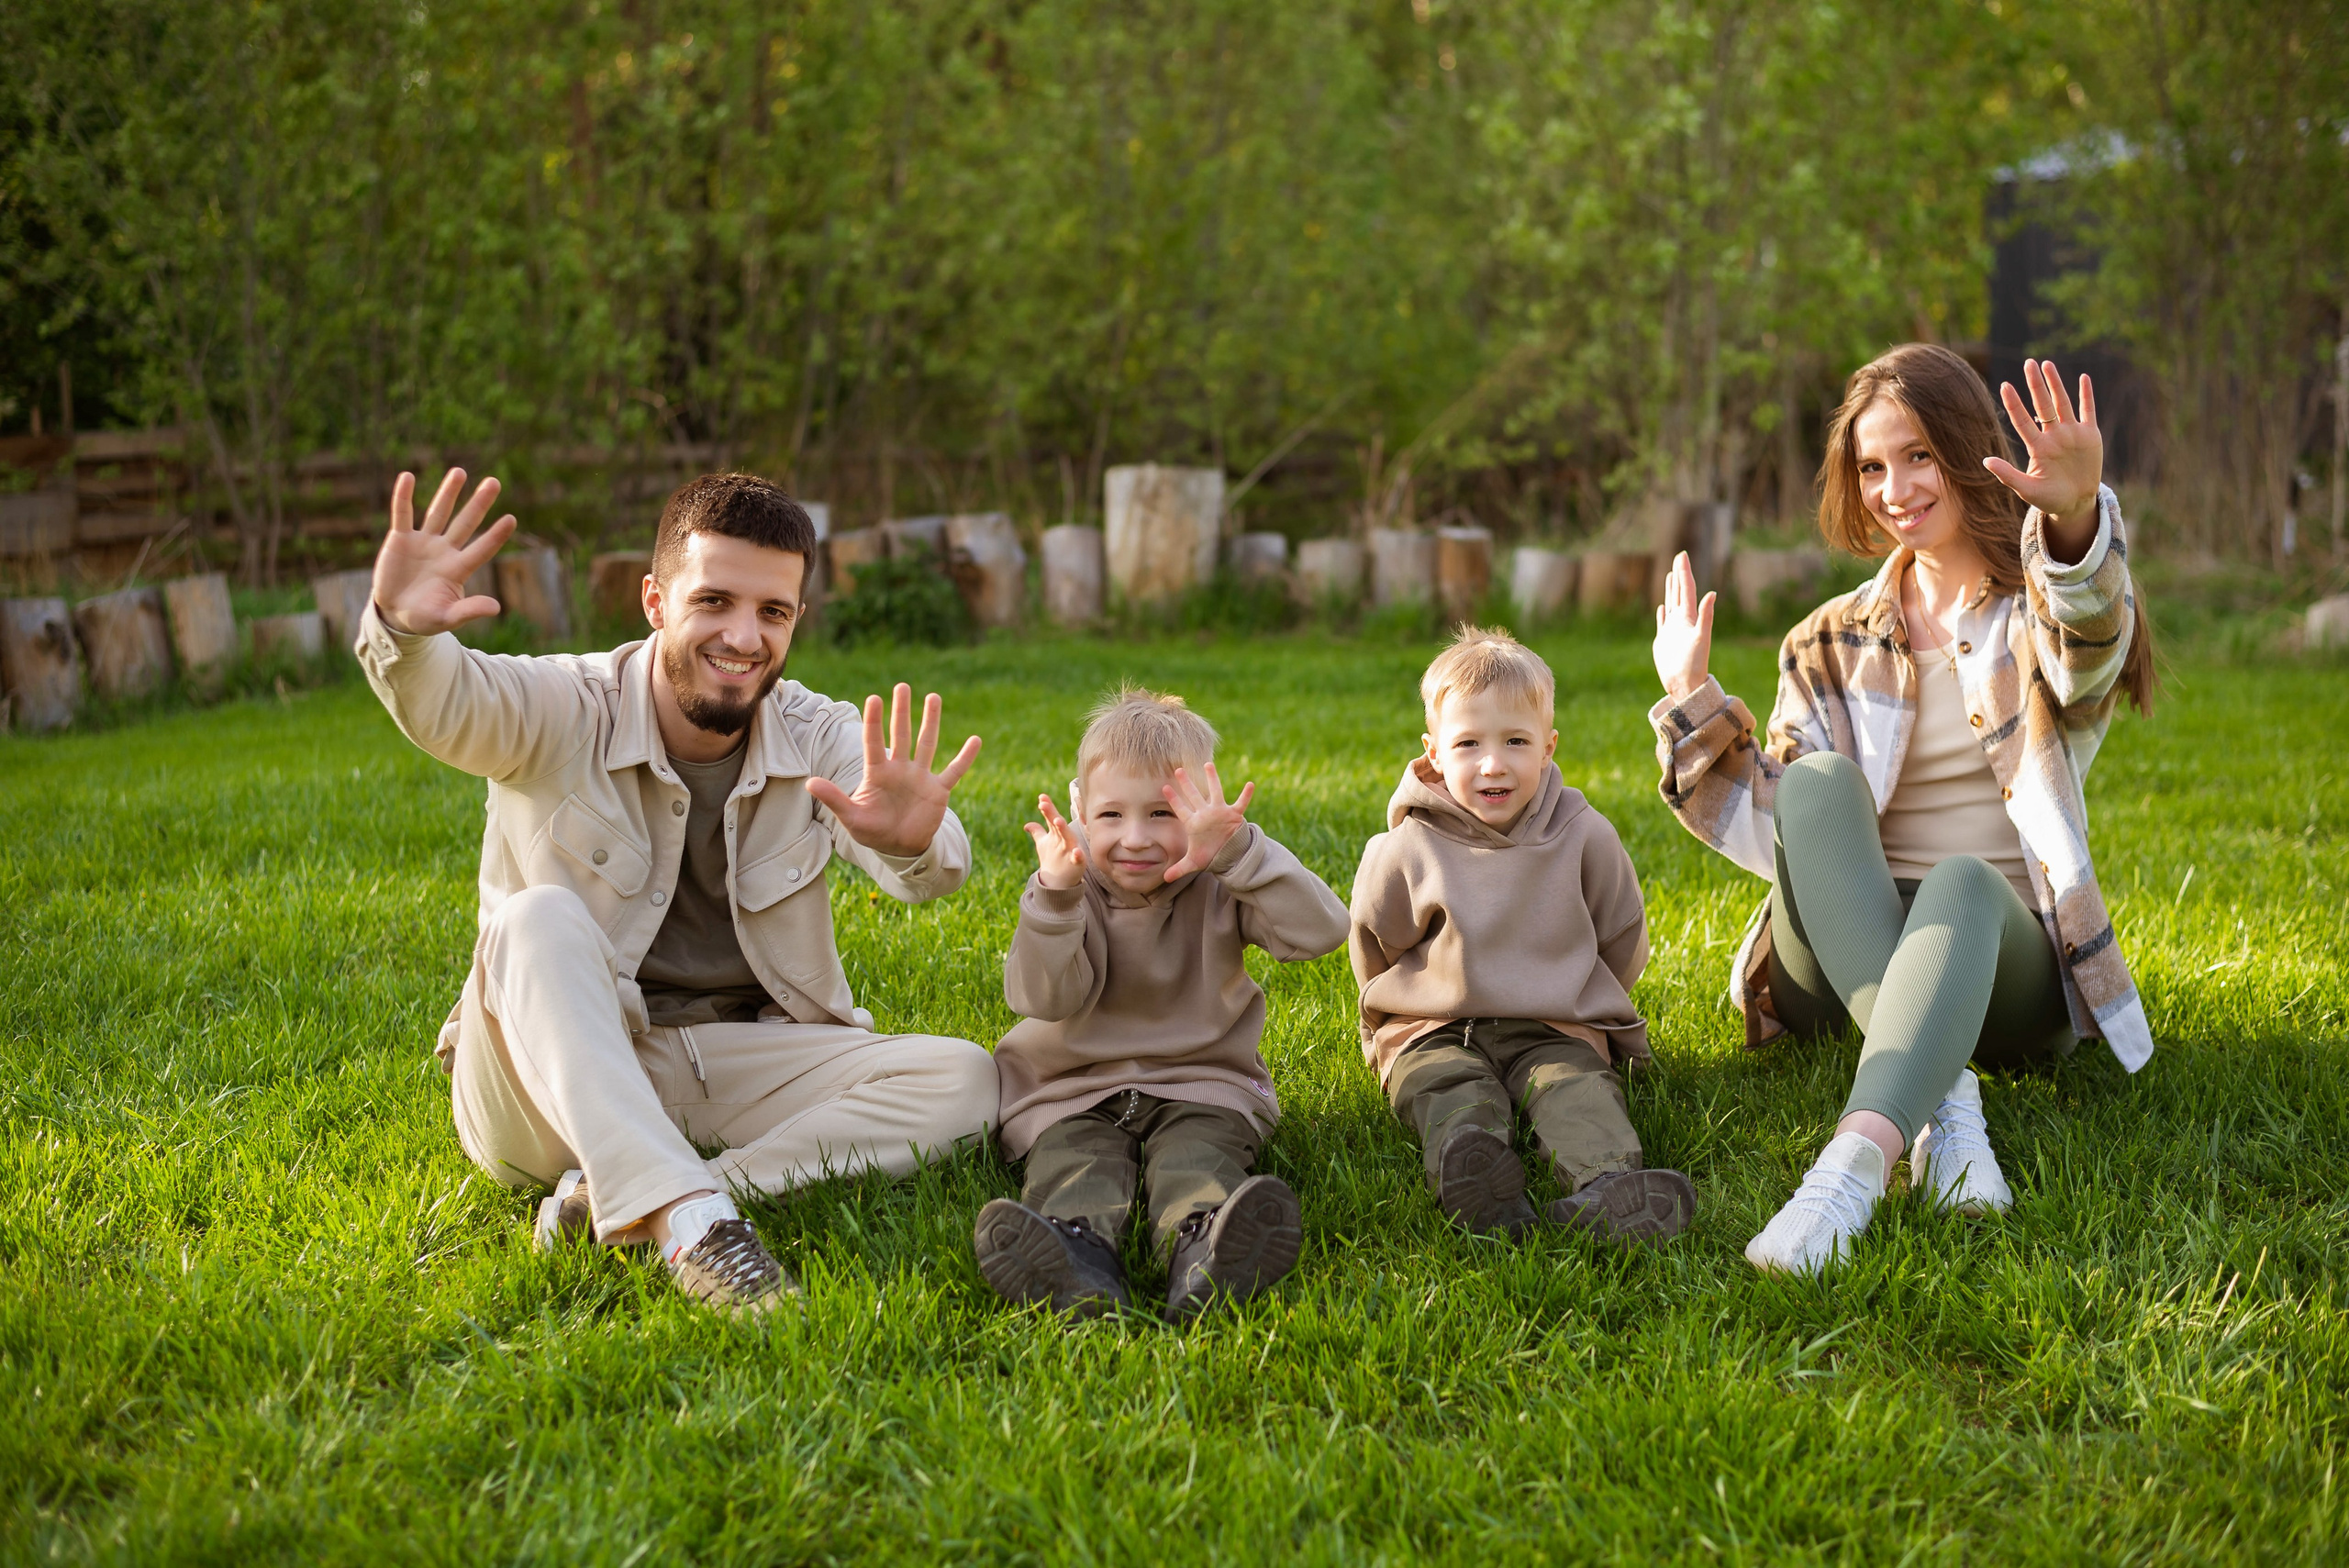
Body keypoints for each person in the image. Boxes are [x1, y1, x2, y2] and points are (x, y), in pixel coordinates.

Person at [357, 467, 997, 1313]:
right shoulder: (563, 705)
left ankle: (664, 1190)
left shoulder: (816, 731)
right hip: (541, 1084)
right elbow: (449, 700)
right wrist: (403, 631)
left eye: (773, 612)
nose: (743, 636)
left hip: (721, 1066)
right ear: (656, 600)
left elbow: (930, 859)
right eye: (715, 601)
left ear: (797, 618)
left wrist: (912, 841)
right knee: (535, 917)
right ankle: (695, 1227)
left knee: (967, 1077)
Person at [1648, 347, 2159, 1274]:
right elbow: (1784, 829)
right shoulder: (1825, 637)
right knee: (1812, 782)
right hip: (1840, 958)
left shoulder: (2031, 614)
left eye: (1917, 455)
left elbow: (2091, 643)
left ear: (1965, 450)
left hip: (2000, 963)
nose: (1893, 488)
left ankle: (1850, 1168)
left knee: (1959, 882)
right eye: (1871, 466)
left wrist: (2077, 516)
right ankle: (1941, 1093)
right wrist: (1691, 700)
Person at [974, 688, 1349, 1318]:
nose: (1136, 838)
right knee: (1075, 1159)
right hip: (1073, 1085)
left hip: (1199, 1079)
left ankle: (1205, 1247)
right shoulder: (1066, 889)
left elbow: (1322, 932)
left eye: (1162, 814)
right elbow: (1042, 997)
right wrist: (1056, 900)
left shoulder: (1222, 880)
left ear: (1202, 805)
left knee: (1199, 1157)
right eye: (1112, 815)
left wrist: (1240, 852)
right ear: (1079, 810)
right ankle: (1075, 1252)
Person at [1350, 628, 1697, 1244]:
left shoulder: (1585, 834)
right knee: (1451, 1091)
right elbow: (1378, 939)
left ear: (1547, 747)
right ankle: (1477, 1178)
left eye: (1515, 740)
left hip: (1552, 1025)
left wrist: (1577, 1001)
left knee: (1577, 1092)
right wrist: (1400, 1015)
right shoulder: (1406, 847)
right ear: (1433, 753)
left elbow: (1621, 935)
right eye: (1469, 743)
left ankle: (1608, 1189)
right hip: (1435, 1026)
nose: (1493, 763)